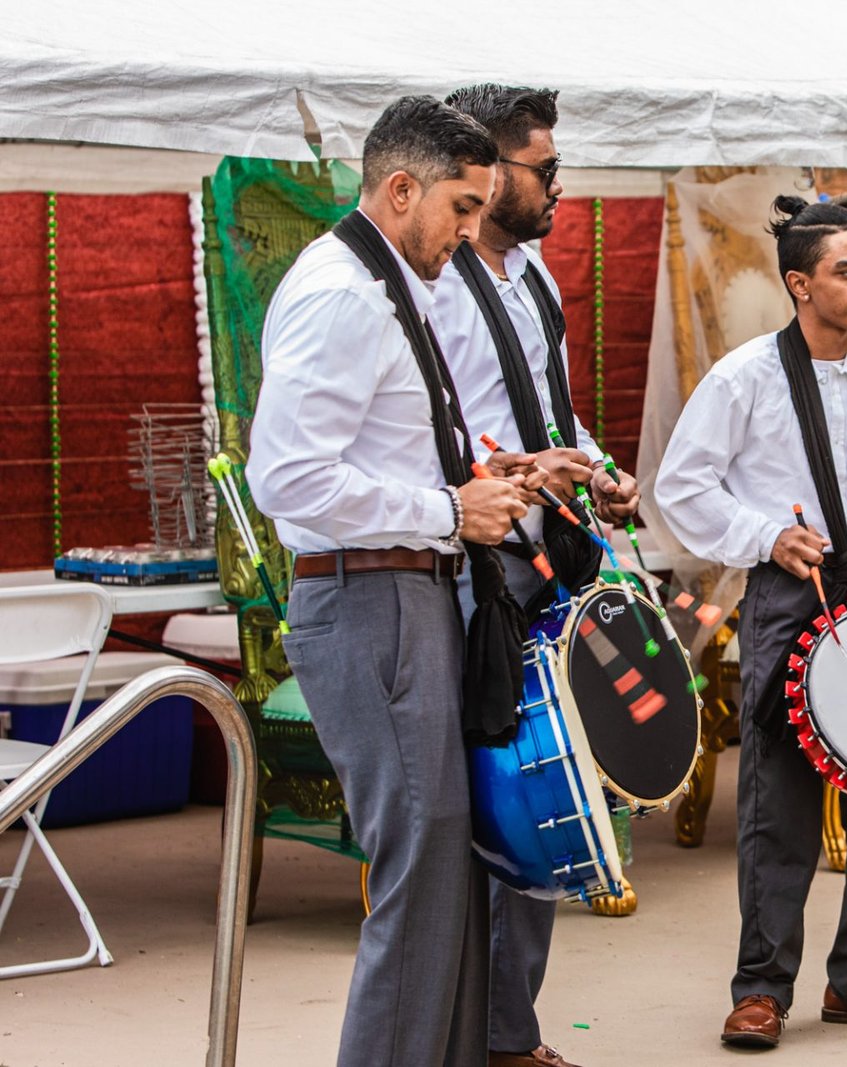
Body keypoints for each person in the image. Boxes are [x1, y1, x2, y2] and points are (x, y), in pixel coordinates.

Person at [248, 95, 537, 1067]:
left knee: (449, 856)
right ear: (401, 188)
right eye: (463, 207)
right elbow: (288, 478)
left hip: (407, 591)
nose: (471, 230)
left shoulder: (386, 284)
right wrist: (449, 510)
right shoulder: (343, 293)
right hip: (368, 597)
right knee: (421, 857)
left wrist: (485, 480)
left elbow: (382, 454)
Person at [655, 196, 847, 1051]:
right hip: (789, 595)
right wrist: (766, 535)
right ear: (800, 284)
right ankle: (761, 987)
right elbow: (681, 486)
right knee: (779, 797)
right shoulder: (744, 377)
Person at [432, 82, 641, 1067]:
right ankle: (481, 1037)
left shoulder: (537, 277)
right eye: (545, 168)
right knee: (492, 791)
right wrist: (513, 475)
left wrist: (594, 469)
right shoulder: (430, 285)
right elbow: (434, 432)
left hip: (549, 560)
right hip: (471, 569)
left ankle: (510, 1033)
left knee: (543, 785)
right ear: (486, 170)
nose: (560, 185)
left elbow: (546, 411)